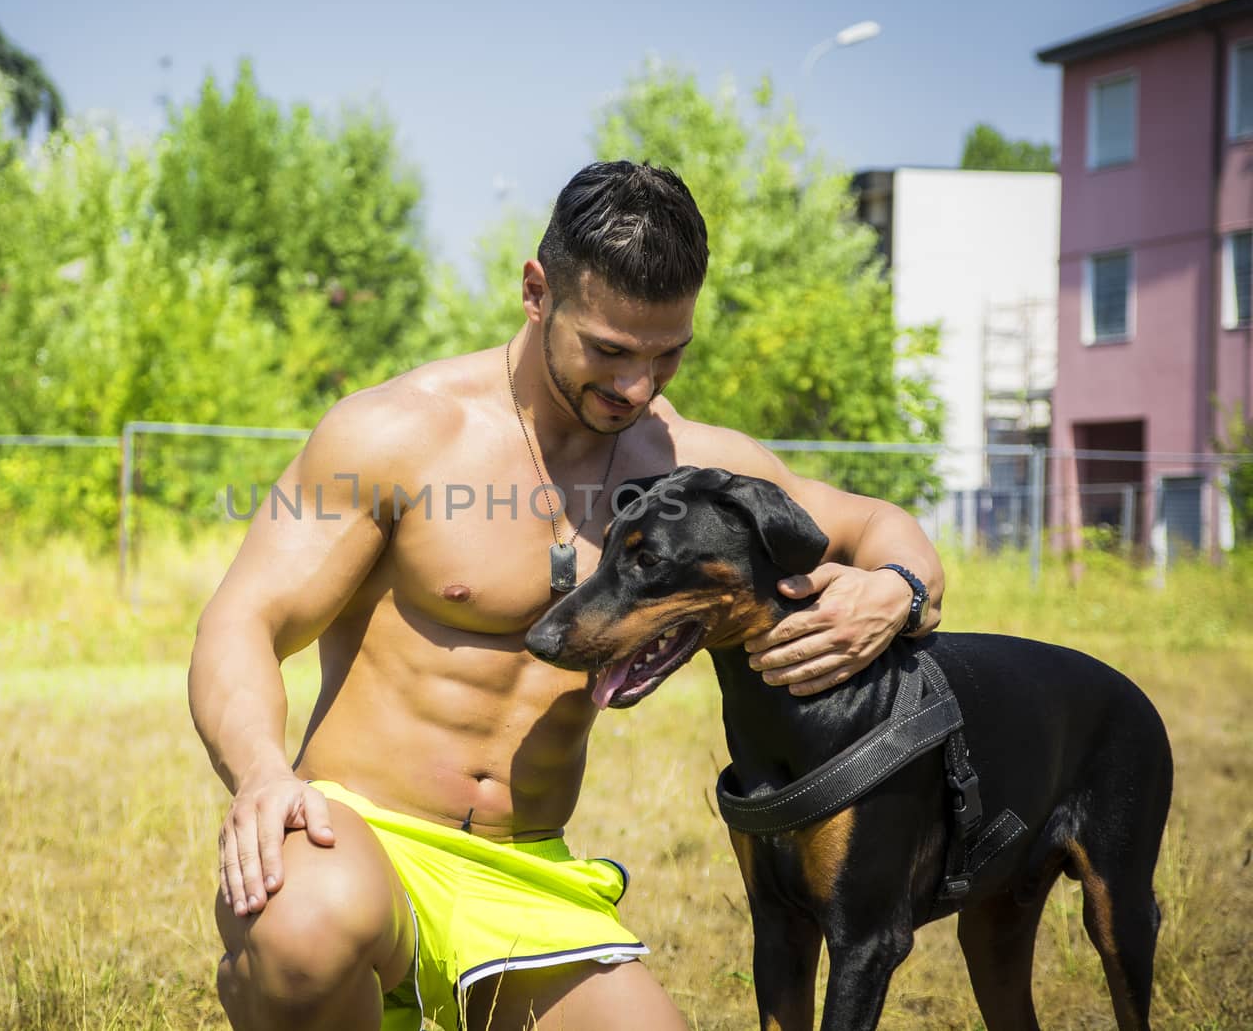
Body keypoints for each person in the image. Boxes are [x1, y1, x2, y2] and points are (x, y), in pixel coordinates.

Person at [189, 160, 944, 1030]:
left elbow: (883, 523)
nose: (636, 387)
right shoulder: (398, 433)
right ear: (537, 291)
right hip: (357, 842)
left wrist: (897, 589)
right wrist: (259, 772)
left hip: (528, 872)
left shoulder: (684, 467)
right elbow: (243, 618)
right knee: (304, 925)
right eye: (611, 351)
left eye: (668, 355)